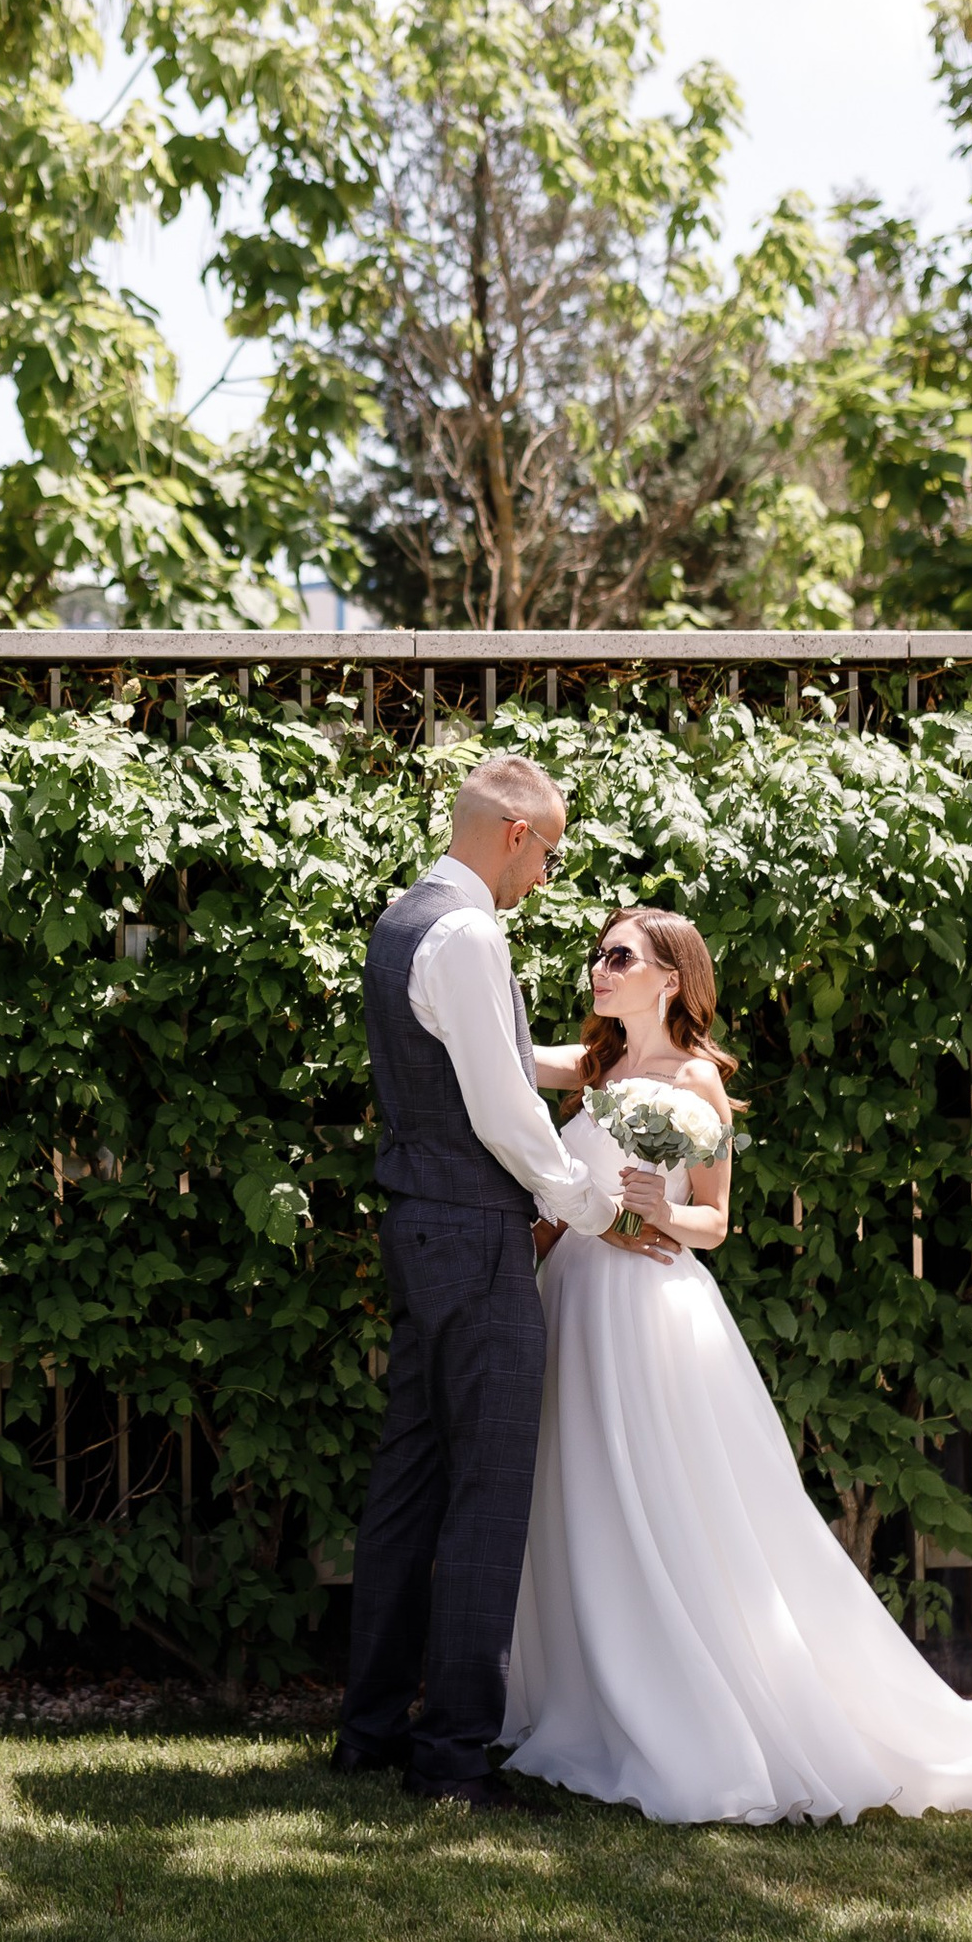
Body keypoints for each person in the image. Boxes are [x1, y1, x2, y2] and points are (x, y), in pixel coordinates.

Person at [504, 904, 972, 1823]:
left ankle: (699, 1712)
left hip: (645, 1314)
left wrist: (657, 1210)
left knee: (667, 1504)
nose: (598, 970)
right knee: (581, 1494)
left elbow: (715, 1223)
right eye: (597, 955)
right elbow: (498, 1059)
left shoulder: (694, 1078)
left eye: (618, 956)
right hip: (571, 1296)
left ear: (670, 977)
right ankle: (593, 1697)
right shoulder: (599, 1065)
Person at [332, 753, 654, 1810]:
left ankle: (371, 1732)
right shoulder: (470, 932)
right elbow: (502, 1115)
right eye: (551, 852)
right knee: (486, 1491)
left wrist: (596, 1061)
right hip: (473, 1235)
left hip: (422, 1228)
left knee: (410, 1481)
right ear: (514, 830)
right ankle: (454, 1759)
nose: (548, 877)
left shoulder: (403, 918)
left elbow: (484, 1061)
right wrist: (589, 1203)